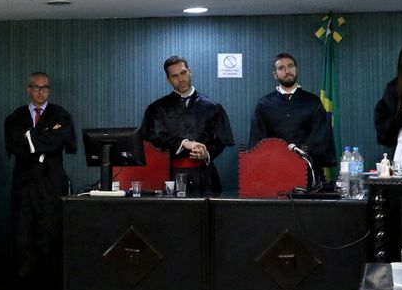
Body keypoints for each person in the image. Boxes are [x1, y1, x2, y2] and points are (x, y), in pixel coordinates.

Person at [3, 72, 76, 290]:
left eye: (45, 88)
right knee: (23, 233)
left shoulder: (60, 114)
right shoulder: (15, 117)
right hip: (24, 182)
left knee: (50, 231)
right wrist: (47, 136)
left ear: (49, 90)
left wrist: (32, 137)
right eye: (36, 87)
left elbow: (63, 139)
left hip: (51, 182)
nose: (40, 92)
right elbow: (16, 145)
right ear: (28, 89)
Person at [140, 56, 234, 195]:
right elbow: (153, 135)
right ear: (168, 79)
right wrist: (183, 143)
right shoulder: (157, 108)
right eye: (175, 76)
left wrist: (207, 153)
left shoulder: (212, 107)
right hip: (169, 175)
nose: (181, 79)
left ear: (190, 71)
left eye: (183, 73)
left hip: (205, 177)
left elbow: (222, 139)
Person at [248, 53, 337, 184]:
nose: (287, 71)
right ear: (275, 75)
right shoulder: (263, 104)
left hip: (308, 171)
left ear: (296, 69)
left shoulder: (313, 102)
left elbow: (320, 136)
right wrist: (280, 156)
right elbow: (258, 142)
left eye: (290, 66)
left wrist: (299, 153)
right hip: (274, 172)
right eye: (281, 68)